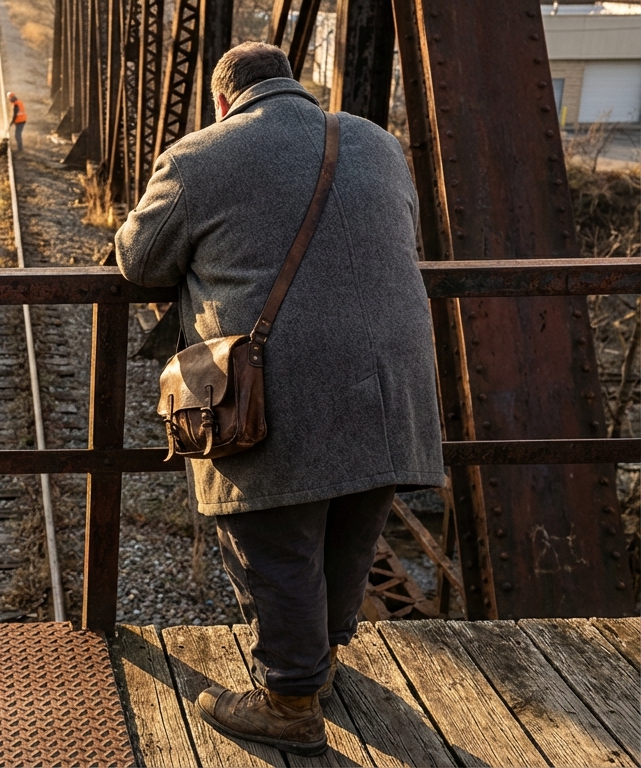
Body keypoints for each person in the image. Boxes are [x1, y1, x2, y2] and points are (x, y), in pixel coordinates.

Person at [114, 42, 443, 757]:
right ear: (294, 85)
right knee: (357, 506)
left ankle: (291, 700)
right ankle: (318, 663)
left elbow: (141, 260)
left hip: (278, 379)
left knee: (272, 532)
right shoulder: (377, 142)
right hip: (396, 376)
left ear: (223, 101)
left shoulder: (199, 156)